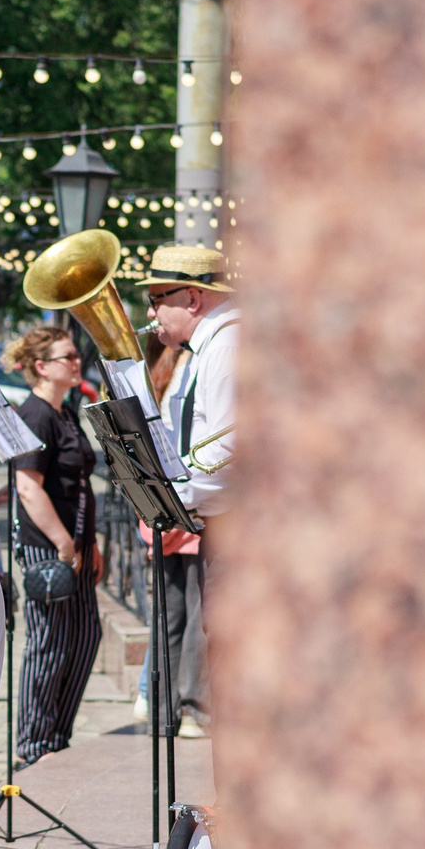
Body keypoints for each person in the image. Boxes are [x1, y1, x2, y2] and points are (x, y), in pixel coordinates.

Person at [144, 244, 236, 740]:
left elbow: (226, 453)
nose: (152, 311)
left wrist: (171, 498)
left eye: (159, 298)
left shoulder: (225, 347)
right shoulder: (205, 350)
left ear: (193, 298)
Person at [1, 324, 103, 764]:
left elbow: (78, 485)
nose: (76, 362)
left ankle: (57, 736)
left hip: (74, 547)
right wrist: (64, 542)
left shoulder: (64, 412)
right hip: (50, 549)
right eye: (67, 357)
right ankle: (35, 743)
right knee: (49, 644)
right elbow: (27, 487)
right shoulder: (35, 415)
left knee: (84, 637)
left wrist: (90, 542)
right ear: (42, 367)